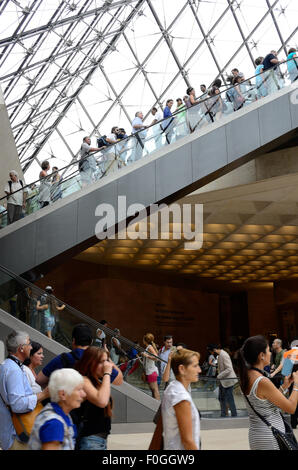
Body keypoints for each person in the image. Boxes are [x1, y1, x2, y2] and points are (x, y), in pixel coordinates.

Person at [238, 335, 298, 450]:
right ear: (261, 355)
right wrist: (296, 385)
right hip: (270, 438)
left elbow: (265, 402)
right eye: (268, 350)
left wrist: (284, 386)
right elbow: (290, 408)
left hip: (257, 435)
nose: (270, 353)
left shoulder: (247, 376)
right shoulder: (262, 381)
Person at [0, 331, 48, 450]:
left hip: (13, 434)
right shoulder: (13, 370)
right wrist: (44, 394)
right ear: (21, 348)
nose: (31, 347)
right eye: (29, 343)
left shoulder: (8, 366)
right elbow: (18, 404)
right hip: (16, 436)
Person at [74, 346, 120, 450]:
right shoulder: (84, 380)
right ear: (90, 363)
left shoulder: (97, 381)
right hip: (90, 439)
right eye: (101, 362)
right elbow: (102, 401)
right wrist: (107, 373)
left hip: (99, 439)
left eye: (106, 361)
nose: (105, 365)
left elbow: (119, 379)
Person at [28, 368, 86, 450]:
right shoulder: (55, 424)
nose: (83, 394)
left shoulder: (59, 414)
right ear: (62, 394)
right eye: (79, 390)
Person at [161, 348, 201, 450]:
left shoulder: (173, 388)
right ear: (182, 369)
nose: (199, 370)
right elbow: (187, 440)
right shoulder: (181, 397)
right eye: (195, 366)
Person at [211, 344, 237, 417]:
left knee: (229, 398)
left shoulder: (224, 355)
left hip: (228, 380)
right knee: (222, 398)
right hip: (224, 381)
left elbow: (229, 369)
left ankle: (233, 414)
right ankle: (224, 413)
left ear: (214, 350)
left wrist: (219, 376)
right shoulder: (220, 355)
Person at [142, 333, 160, 400]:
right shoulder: (148, 347)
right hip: (149, 371)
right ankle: (155, 405)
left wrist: (147, 356)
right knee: (153, 390)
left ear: (144, 340)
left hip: (151, 371)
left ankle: (158, 406)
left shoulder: (149, 347)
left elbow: (156, 358)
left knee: (155, 390)